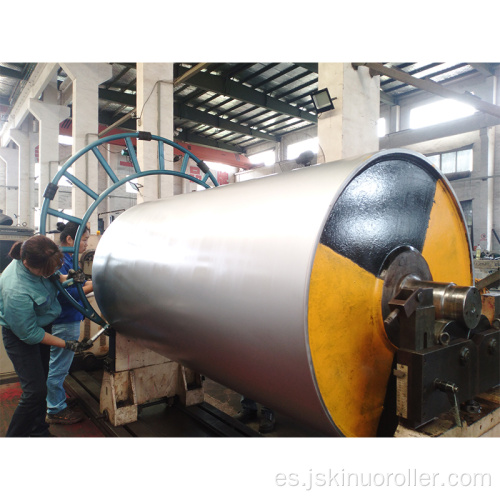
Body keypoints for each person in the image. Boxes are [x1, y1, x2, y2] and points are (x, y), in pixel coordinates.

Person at [0, 235, 92, 437]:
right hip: (21, 337)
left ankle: (39, 431)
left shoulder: (40, 263)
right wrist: (67, 344)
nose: (51, 272)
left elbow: (52, 277)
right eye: (46, 270)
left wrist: (68, 278)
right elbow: (30, 334)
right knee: (35, 392)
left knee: (41, 381)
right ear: (26, 263)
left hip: (42, 326)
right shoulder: (15, 290)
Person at [45, 222, 93, 425]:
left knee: (59, 365)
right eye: (83, 240)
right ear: (69, 240)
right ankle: (55, 409)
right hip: (64, 321)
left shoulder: (65, 260)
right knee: (58, 367)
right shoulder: (61, 261)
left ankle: (57, 400)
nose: (85, 245)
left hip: (67, 319)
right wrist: (97, 284)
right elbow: (69, 294)